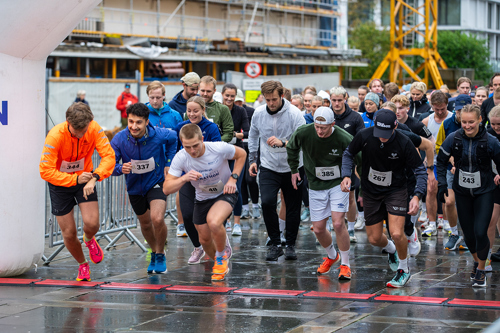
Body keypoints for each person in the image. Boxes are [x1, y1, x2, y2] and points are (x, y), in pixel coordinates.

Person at [341, 109, 427, 288]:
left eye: (386, 134)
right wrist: (346, 175)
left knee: (396, 232)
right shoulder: (364, 135)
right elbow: (348, 154)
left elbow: (419, 170)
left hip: (395, 190)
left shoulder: (404, 142)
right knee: (373, 239)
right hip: (371, 191)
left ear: (395, 126)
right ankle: (392, 249)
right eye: (379, 134)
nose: (383, 138)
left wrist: (417, 196)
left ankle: (404, 270)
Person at [39, 102, 115, 281]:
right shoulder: (55, 136)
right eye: (76, 131)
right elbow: (45, 170)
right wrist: (73, 179)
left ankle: (89, 239)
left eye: (84, 129)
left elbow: (109, 156)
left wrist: (95, 176)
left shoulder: (94, 128)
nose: (81, 134)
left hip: (85, 179)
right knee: (69, 233)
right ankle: (82, 264)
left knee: (93, 224)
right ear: (67, 122)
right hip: (60, 183)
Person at [163, 124, 247, 281]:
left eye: (195, 145)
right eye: (188, 147)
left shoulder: (217, 148)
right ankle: (218, 261)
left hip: (225, 192)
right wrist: (184, 178)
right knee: (204, 240)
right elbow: (167, 188)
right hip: (202, 198)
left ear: (202, 139)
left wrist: (233, 178)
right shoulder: (181, 157)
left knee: (214, 222)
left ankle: (222, 259)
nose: (193, 151)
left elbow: (242, 154)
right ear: (182, 143)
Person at [287, 107, 360, 279]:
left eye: (324, 127)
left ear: (332, 124)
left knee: (337, 223)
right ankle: (332, 255)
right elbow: (291, 147)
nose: (319, 131)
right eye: (317, 126)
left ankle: (345, 264)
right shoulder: (304, 131)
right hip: (315, 183)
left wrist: (353, 176)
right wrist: (293, 170)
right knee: (319, 229)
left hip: (337, 183)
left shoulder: (343, 136)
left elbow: (358, 155)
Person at [436, 104, 500, 287]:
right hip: (462, 192)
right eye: (464, 122)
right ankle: (476, 260)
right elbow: (440, 163)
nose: (467, 126)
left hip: (485, 192)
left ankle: (481, 269)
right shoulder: (453, 138)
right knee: (469, 235)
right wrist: (442, 185)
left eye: (471, 122)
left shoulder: (491, 141)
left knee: (481, 231)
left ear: (480, 120)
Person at [110, 103, 177, 274]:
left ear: (147, 122)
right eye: (131, 121)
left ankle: (161, 253)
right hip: (134, 186)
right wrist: (120, 169)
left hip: (155, 182)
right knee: (146, 224)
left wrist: (169, 163)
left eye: (138, 122)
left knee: (157, 218)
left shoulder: (159, 134)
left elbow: (174, 138)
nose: (134, 126)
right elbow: (110, 164)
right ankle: (154, 252)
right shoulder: (119, 139)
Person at [248, 80, 306, 261]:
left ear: (281, 96)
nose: (271, 104)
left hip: (293, 167)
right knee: (267, 202)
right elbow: (253, 135)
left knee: (293, 206)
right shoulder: (258, 113)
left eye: (274, 99)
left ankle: (290, 244)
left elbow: (302, 140)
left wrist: (283, 143)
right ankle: (275, 243)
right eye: (268, 100)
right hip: (269, 165)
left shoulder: (295, 114)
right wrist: (252, 159)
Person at [174, 96, 222, 265]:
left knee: (208, 218)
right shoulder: (181, 127)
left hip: (208, 179)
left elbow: (219, 151)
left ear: (203, 110)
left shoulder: (211, 128)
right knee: (187, 215)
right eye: (189, 111)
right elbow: (175, 150)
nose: (192, 114)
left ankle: (217, 247)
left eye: (196, 110)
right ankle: (198, 247)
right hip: (188, 178)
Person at [145, 81, 184, 237]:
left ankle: (181, 224)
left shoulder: (174, 115)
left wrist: (174, 160)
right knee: (151, 199)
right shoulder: (144, 113)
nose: (155, 101)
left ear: (164, 96)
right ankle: (153, 232)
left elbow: (180, 138)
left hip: (171, 161)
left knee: (178, 192)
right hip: (150, 163)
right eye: (152, 97)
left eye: (158, 97)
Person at [330, 86, 366, 239]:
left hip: (349, 160)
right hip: (329, 161)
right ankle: (328, 226)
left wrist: (358, 163)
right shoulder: (327, 114)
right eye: (334, 100)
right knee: (327, 196)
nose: (337, 103)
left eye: (339, 100)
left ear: (345, 98)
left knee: (350, 196)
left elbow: (362, 140)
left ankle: (350, 228)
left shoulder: (355, 117)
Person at [421, 91, 453, 236]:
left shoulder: (453, 118)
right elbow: (420, 144)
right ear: (431, 106)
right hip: (433, 161)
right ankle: (432, 223)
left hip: (448, 162)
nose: (440, 112)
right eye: (436, 109)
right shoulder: (427, 121)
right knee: (431, 190)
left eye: (443, 109)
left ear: (447, 105)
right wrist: (426, 163)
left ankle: (447, 222)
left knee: (447, 192)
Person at [221, 83, 250, 235]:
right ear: (222, 95)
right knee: (223, 187)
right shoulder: (218, 109)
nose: (230, 98)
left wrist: (237, 135)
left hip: (237, 153)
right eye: (227, 95)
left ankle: (236, 222)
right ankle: (225, 220)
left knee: (235, 187)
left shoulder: (240, 111)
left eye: (232, 96)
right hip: (221, 154)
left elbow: (247, 130)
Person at [235, 90, 261, 220]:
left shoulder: (251, 111)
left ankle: (255, 206)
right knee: (242, 180)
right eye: (236, 102)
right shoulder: (232, 111)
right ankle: (245, 207)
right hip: (240, 148)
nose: (238, 104)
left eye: (240, 101)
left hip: (253, 148)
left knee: (251, 178)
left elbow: (253, 130)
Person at [199, 76, 234, 143]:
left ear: (214, 91)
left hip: (216, 149)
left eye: (208, 91)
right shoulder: (192, 107)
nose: (205, 94)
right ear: (198, 89)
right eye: (203, 90)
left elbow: (229, 133)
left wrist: (214, 143)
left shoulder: (222, 109)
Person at [488, 106, 500, 263]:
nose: (496, 127)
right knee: (492, 219)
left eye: (499, 124)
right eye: (493, 124)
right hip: (494, 181)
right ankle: (487, 256)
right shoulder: (488, 134)